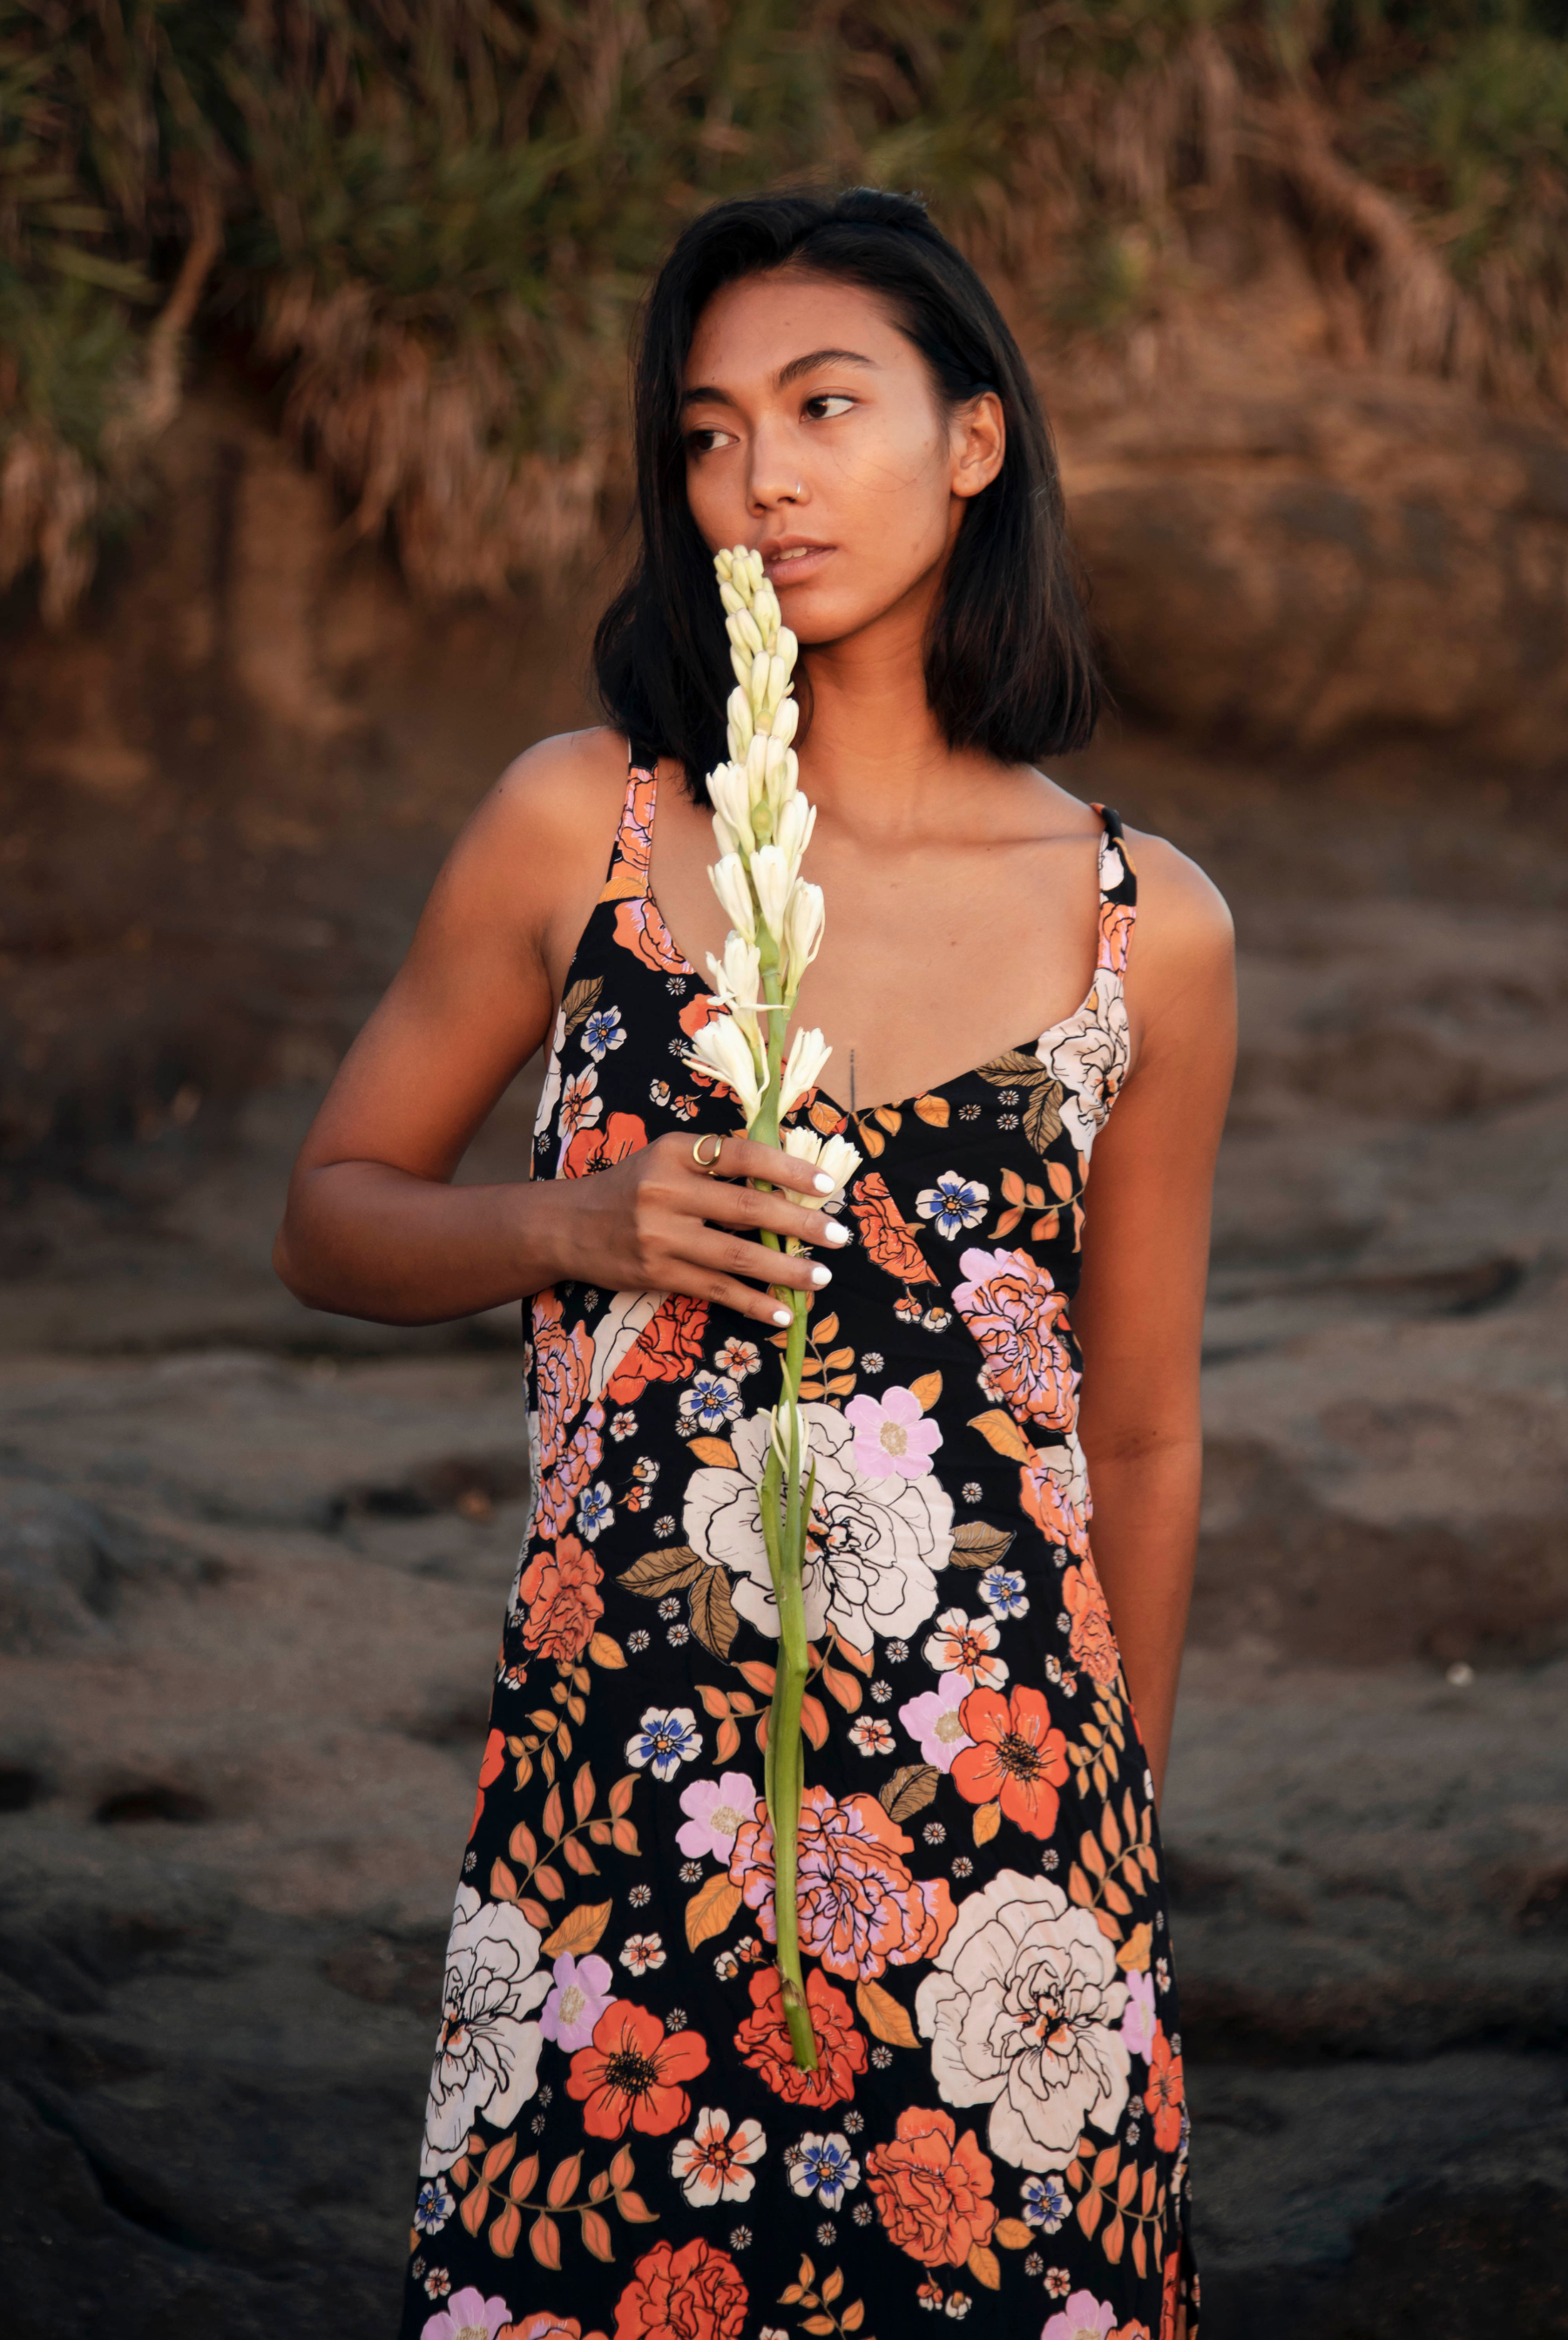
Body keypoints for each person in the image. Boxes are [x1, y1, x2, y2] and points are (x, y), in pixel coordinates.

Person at [274, 186, 1231, 2340]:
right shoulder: (580, 825)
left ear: (974, 437)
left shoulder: (1144, 920)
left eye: (823, 405)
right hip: (618, 1807)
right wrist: (573, 1222)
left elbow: (1146, 1427)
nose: (762, 479)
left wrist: (1106, 1857)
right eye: (709, 432)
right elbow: (330, 1208)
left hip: (1006, 1866)